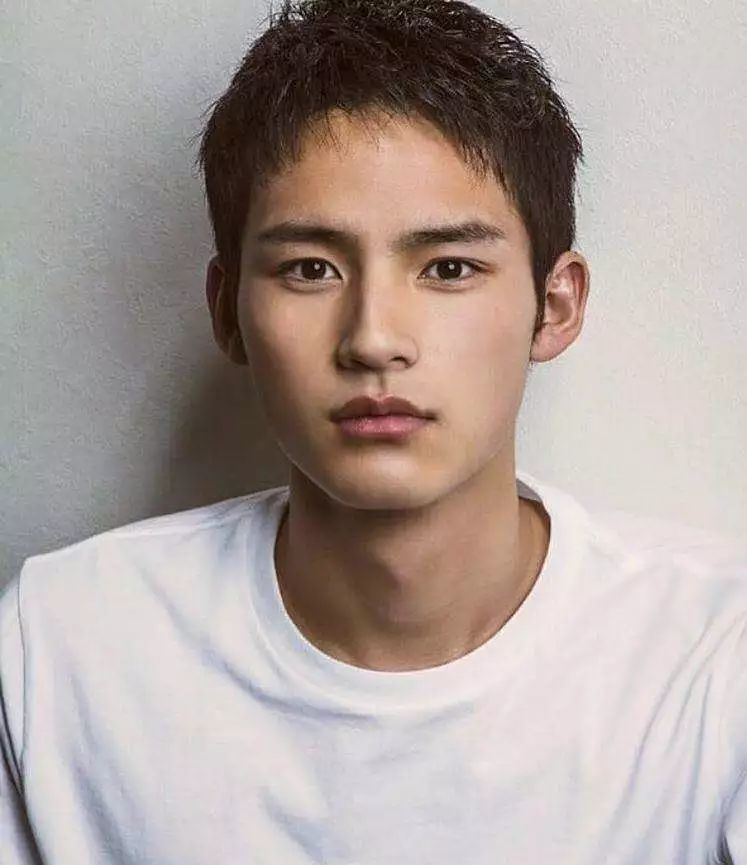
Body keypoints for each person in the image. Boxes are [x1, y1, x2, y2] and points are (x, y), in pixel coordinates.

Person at [1, 0, 745, 861]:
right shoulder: (61, 646)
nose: (373, 338)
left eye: (448, 268)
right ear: (228, 310)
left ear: (554, 305)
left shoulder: (714, 662)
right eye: (309, 268)